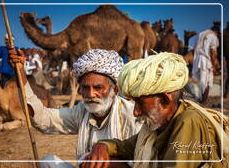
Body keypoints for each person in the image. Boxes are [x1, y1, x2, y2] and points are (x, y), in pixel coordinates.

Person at [81, 52, 229, 168]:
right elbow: (127, 147)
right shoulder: (157, 125)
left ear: (165, 99)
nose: (135, 112)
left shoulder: (188, 120)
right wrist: (102, 146)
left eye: (140, 103)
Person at [8, 48, 141, 167]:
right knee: (48, 161)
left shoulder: (131, 116)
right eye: (85, 88)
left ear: (115, 90)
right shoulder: (81, 111)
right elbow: (42, 118)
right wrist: (20, 74)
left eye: (98, 88)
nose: (91, 94)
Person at [192, 25, 220, 103]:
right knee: (207, 81)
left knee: (202, 81)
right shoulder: (213, 36)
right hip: (206, 60)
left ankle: (202, 100)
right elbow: (213, 52)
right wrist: (214, 66)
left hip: (197, 59)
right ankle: (203, 101)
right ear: (216, 32)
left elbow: (194, 48)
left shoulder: (200, 34)